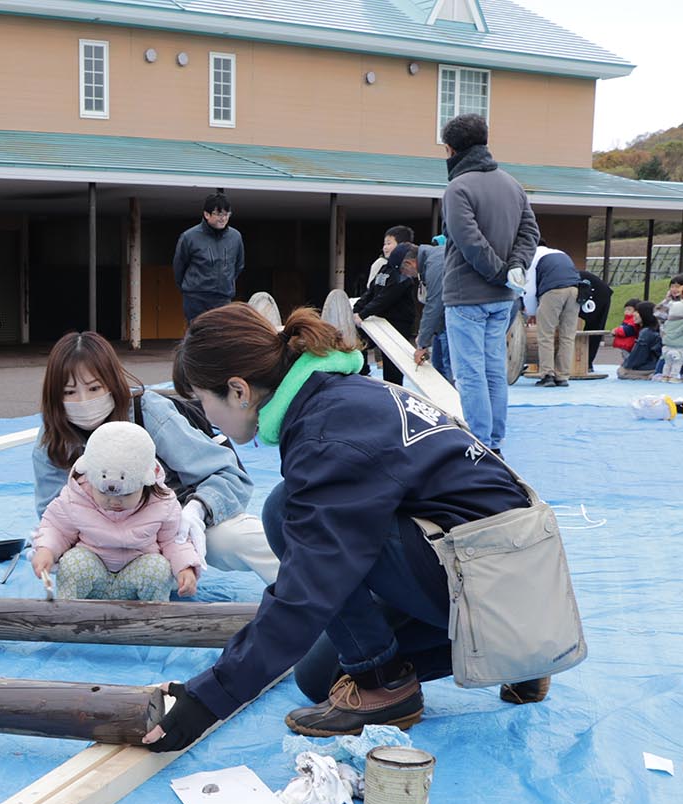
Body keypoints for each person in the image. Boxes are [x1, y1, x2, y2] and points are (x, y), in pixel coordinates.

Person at [141, 304, 538, 751]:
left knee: (288, 513)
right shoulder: (334, 397)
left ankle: (388, 681)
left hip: (493, 579)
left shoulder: (327, 433)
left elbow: (309, 587)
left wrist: (206, 699)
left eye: (202, 400)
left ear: (238, 390)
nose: (207, 418)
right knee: (319, 677)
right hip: (511, 575)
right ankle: (517, 657)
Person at [33, 331, 278, 585]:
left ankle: (311, 583)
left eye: (94, 388)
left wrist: (196, 511)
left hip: (163, 532)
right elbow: (53, 514)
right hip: (97, 547)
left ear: (113, 383)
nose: (84, 401)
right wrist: (50, 548)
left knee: (233, 539)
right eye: (69, 392)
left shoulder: (147, 412)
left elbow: (228, 475)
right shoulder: (54, 438)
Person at [439, 113, 540, 452]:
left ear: (451, 150)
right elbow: (530, 233)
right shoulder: (513, 184)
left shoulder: (458, 188)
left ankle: (479, 443)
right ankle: (495, 439)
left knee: (470, 374)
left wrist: (497, 270)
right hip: (503, 298)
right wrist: (514, 269)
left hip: (467, 295)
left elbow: (468, 239)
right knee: (494, 369)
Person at [31, 422, 202, 602]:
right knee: (74, 562)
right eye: (103, 492)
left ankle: (150, 620)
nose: (114, 501)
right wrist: (46, 550)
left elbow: (174, 541)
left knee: (158, 568)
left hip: (136, 578)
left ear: (145, 482)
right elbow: (57, 529)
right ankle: (71, 615)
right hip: (93, 577)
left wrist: (185, 568)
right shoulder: (76, 497)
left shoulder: (162, 504)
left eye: (127, 494)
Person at [353, 242, 420, 386]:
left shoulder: (403, 276)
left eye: (389, 243)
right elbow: (371, 292)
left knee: (393, 363)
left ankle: (394, 388)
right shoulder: (385, 268)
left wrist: (362, 314)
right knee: (360, 343)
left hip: (398, 322)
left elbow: (385, 298)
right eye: (384, 243)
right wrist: (356, 310)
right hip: (380, 320)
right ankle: (363, 374)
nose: (385, 246)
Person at [173, 193, 245, 325]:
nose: (223, 218)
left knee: (221, 336)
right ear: (206, 214)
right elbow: (179, 267)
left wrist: (226, 282)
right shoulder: (189, 237)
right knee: (197, 336)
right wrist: (190, 288)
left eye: (226, 214)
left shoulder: (236, 237)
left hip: (223, 297)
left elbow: (238, 265)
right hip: (196, 298)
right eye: (218, 214)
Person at [520, 241, 583, 387]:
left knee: (546, 335)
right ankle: (562, 376)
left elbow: (529, 289)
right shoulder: (561, 253)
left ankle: (547, 375)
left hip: (553, 291)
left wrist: (531, 312)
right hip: (575, 290)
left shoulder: (532, 256)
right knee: (567, 336)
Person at [413, 242, 454, 382]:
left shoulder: (435, 263)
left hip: (458, 318)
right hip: (445, 322)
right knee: (440, 366)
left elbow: (434, 305)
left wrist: (422, 344)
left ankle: (453, 402)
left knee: (452, 368)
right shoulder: (434, 258)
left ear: (409, 263)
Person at [579, 270, 613, 373]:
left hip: (598, 294)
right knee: (594, 326)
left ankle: (586, 363)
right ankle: (586, 363)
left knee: (594, 328)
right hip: (595, 291)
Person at [618, 301, 663, 379]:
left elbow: (638, 355)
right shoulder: (653, 329)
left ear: (645, 314)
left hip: (650, 366)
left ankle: (650, 376)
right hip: (655, 364)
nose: (633, 314)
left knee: (621, 372)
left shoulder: (646, 332)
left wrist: (626, 365)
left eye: (637, 312)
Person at [366, 225, 415, 294]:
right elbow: (371, 289)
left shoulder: (413, 263)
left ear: (402, 245)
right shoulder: (381, 263)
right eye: (384, 244)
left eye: (388, 244)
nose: (385, 247)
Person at [660, 278, 683, 382]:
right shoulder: (670, 303)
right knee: (668, 361)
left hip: (676, 340)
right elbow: (658, 314)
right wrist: (667, 300)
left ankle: (671, 376)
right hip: (670, 340)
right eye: (672, 286)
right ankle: (666, 376)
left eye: (677, 286)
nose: (674, 289)